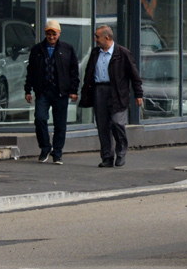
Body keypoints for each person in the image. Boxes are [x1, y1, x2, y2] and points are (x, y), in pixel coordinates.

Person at [79, 25, 143, 168]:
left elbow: (134, 75)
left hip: (117, 93)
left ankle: (121, 153)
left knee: (117, 123)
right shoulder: (96, 53)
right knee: (102, 126)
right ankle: (107, 157)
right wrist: (86, 92)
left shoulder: (122, 53)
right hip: (99, 90)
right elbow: (89, 73)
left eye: (97, 37)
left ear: (106, 38)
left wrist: (138, 94)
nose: (95, 39)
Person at [24, 20, 80, 164]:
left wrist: (74, 90)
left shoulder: (67, 49)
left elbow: (74, 71)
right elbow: (30, 71)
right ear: (45, 34)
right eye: (48, 34)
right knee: (40, 119)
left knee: (60, 124)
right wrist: (28, 90)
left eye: (54, 34)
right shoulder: (37, 50)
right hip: (43, 91)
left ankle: (58, 152)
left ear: (59, 33)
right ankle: (45, 147)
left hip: (60, 92)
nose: (51, 37)